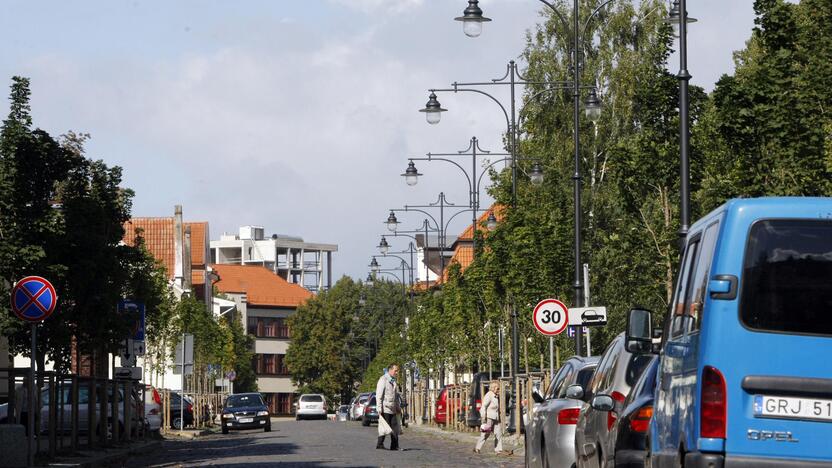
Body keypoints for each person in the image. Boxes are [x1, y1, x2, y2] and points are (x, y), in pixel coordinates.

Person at [375, 364, 402, 451]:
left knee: (394, 426)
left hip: (393, 408)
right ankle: (379, 444)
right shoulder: (383, 380)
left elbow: (395, 396)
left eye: (397, 371)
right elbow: (379, 395)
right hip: (385, 407)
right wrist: (379, 408)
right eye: (395, 371)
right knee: (384, 427)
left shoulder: (393, 381)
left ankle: (394, 446)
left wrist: (398, 406)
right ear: (390, 370)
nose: (397, 373)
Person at [474, 380, 504, 454]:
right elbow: (483, 406)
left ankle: (498, 450)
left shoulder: (496, 396)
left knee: (498, 433)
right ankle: (477, 448)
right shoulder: (489, 395)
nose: (499, 390)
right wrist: (483, 418)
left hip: (496, 418)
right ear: (493, 388)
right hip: (489, 418)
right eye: (497, 388)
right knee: (485, 434)